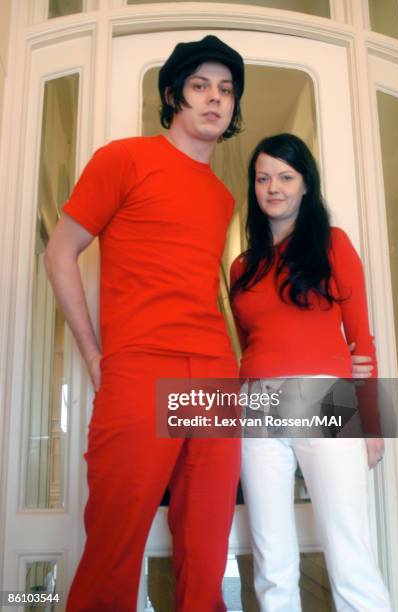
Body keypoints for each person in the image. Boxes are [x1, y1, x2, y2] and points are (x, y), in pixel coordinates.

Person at [45, 35, 245, 612]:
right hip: (139, 372)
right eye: (200, 86)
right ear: (172, 95)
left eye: (227, 90)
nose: (215, 99)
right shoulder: (123, 158)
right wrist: (92, 355)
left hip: (213, 376)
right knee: (113, 551)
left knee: (207, 556)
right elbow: (59, 253)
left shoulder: (223, 197)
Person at [230, 133, 392, 611]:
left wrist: (372, 423)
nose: (273, 187)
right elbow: (249, 346)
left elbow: (362, 340)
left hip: (325, 399)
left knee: (349, 553)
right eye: (263, 178)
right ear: (254, 187)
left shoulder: (332, 244)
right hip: (257, 406)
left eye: (286, 176)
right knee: (271, 560)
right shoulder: (242, 267)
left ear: (305, 185)